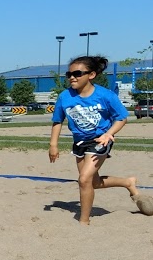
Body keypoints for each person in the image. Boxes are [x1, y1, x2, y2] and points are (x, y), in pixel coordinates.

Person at [48, 55, 140, 225]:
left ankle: (84, 221)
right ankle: (128, 182)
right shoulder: (64, 97)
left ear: (91, 75)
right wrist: (53, 145)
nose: (72, 77)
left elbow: (121, 117)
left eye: (77, 73)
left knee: (83, 179)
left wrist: (109, 134)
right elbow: (57, 121)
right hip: (80, 142)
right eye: (69, 74)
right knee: (93, 182)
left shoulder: (105, 95)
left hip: (100, 140)